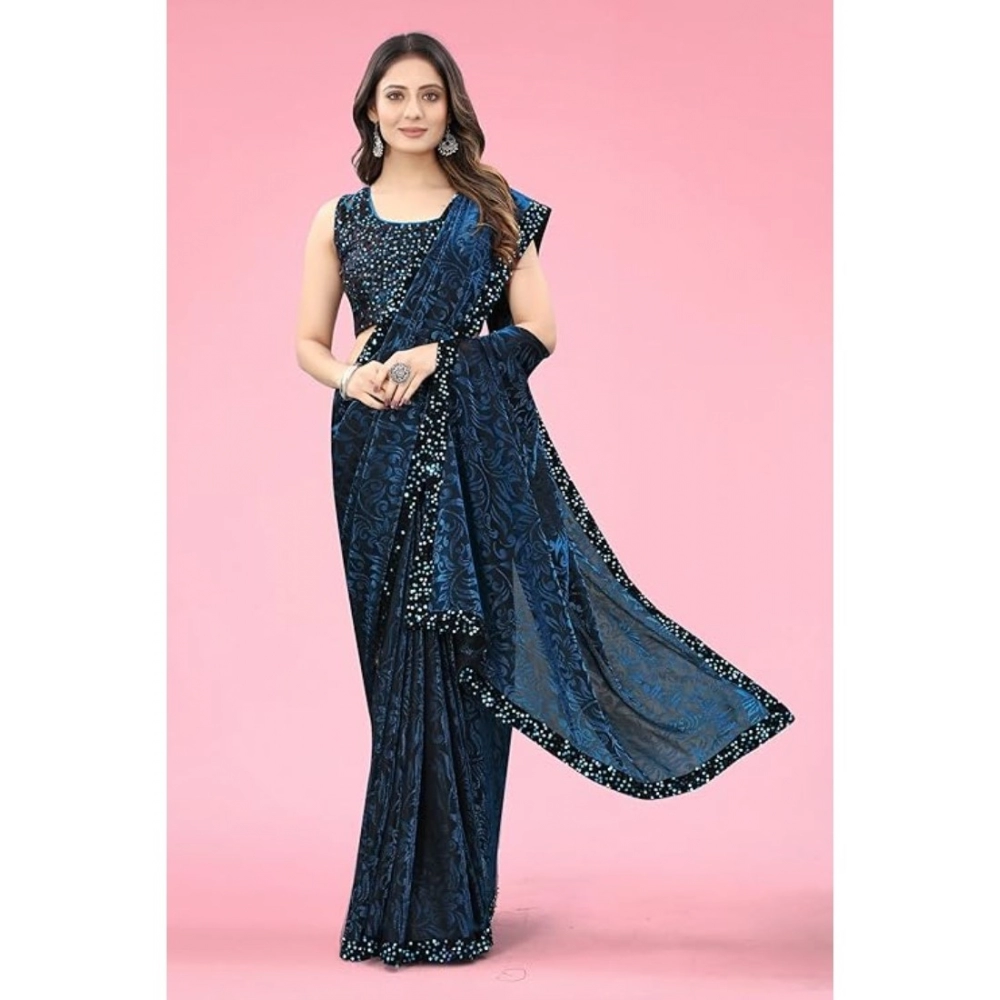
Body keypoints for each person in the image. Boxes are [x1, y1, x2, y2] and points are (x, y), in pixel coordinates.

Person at [294, 31, 795, 971]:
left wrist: (441, 355)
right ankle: (395, 909)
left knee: (469, 665)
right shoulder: (337, 218)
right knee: (396, 678)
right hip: (374, 459)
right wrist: (350, 380)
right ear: (370, 111)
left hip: (477, 460)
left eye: (429, 95)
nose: (412, 111)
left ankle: (454, 911)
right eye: (395, 96)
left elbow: (539, 333)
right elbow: (308, 344)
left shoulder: (494, 211)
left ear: (452, 108)